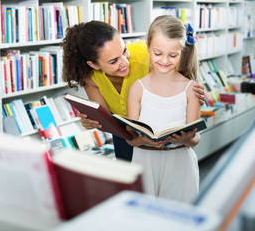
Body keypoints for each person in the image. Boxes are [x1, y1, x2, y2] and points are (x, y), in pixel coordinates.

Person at [60, 20, 205, 162]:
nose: (125, 62)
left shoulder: (148, 55)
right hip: (125, 135)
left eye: (124, 50)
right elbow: (108, 121)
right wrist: (94, 122)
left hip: (162, 131)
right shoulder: (90, 78)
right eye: (113, 61)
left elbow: (180, 86)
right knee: (132, 182)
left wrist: (193, 95)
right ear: (94, 65)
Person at [126, 15, 201, 203]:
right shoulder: (137, 88)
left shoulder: (191, 89)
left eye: (173, 55)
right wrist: (146, 141)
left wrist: (186, 138)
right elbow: (131, 139)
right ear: (148, 47)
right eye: (158, 53)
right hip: (144, 161)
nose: (165, 61)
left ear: (182, 53)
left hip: (180, 162)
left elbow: (195, 138)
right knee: (143, 217)